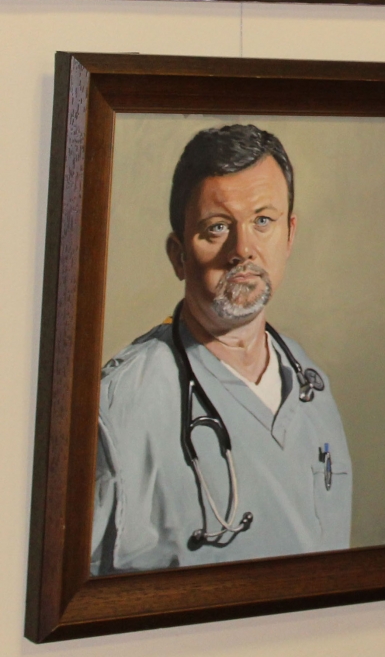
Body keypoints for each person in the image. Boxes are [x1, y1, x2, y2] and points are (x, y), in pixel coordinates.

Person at [92, 124, 352, 576]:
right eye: (217, 228)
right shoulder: (117, 405)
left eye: (263, 221)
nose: (243, 249)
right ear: (178, 255)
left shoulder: (309, 381)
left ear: (289, 235)